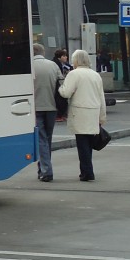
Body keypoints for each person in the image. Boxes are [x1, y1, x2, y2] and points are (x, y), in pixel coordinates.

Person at [58, 49, 107, 181]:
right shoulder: (95, 75)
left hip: (80, 112)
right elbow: (101, 97)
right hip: (94, 111)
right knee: (89, 143)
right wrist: (102, 117)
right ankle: (87, 170)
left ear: (76, 61)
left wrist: (60, 87)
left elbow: (66, 93)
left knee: (82, 144)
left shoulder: (74, 74)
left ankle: (87, 172)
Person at [31, 43, 61, 182]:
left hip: (36, 108)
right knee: (47, 139)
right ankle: (42, 167)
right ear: (43, 53)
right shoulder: (53, 65)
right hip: (52, 107)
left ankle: (46, 171)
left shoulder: (30, 67)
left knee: (41, 140)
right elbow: (62, 84)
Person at [52, 48, 71, 121]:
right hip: (58, 84)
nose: (66, 57)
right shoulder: (56, 64)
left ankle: (61, 115)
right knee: (60, 100)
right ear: (59, 57)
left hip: (60, 84)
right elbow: (60, 76)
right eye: (64, 56)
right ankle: (59, 115)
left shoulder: (65, 65)